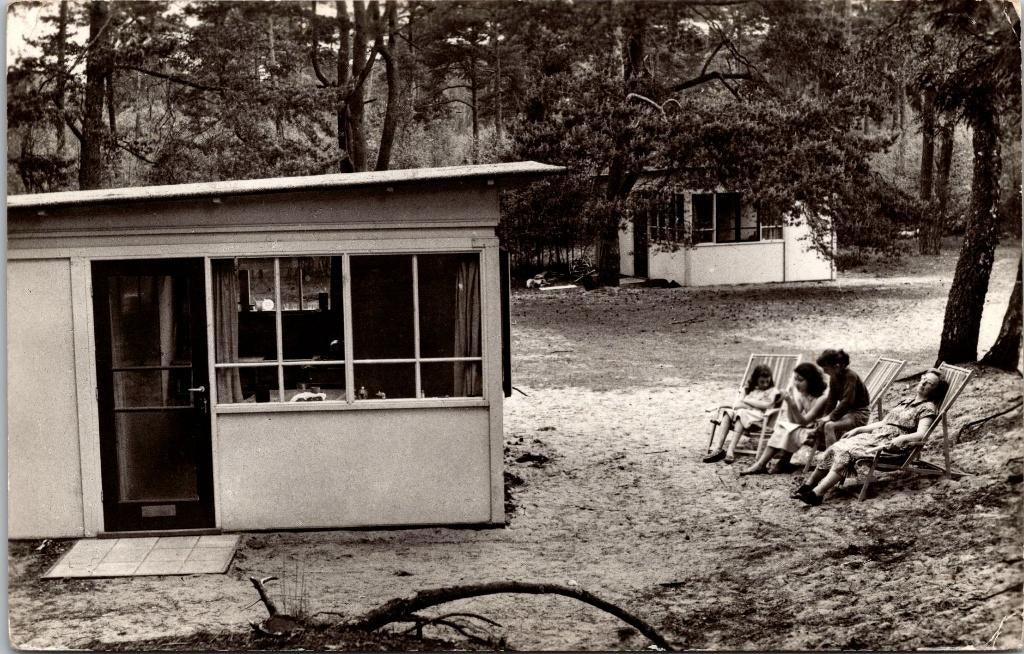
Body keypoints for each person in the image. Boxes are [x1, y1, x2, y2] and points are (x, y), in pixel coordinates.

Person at [794, 367, 949, 506]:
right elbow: (884, 422)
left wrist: (901, 439)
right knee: (837, 446)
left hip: (892, 447)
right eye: (923, 379)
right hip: (876, 437)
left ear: (935, 390)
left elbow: (922, 434)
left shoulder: (927, 408)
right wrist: (860, 429)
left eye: (929, 383)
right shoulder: (906, 401)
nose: (922, 383)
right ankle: (808, 485)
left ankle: (817, 493)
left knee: (848, 452)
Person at [739, 362, 829, 475]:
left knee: (789, 430)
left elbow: (803, 421)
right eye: (795, 379)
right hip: (808, 430)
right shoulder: (803, 396)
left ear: (811, 381)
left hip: (822, 434)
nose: (796, 383)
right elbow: (793, 421)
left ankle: (775, 463)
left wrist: (792, 405)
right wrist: (789, 402)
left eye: (800, 380)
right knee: (785, 427)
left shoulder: (821, 399)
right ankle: (763, 464)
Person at [704, 364, 781, 464]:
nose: (765, 384)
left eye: (768, 381)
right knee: (729, 413)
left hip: (758, 420)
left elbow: (768, 405)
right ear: (755, 380)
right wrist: (753, 405)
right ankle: (718, 449)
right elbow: (736, 405)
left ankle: (730, 450)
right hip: (742, 415)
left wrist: (747, 400)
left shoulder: (772, 391)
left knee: (741, 412)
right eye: (762, 382)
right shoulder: (748, 389)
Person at [804, 349, 870, 452]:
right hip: (847, 413)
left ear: (837, 366)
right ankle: (823, 444)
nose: (824, 371)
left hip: (859, 414)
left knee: (830, 426)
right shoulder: (834, 377)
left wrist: (830, 417)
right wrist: (825, 416)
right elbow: (831, 400)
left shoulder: (850, 376)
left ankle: (831, 458)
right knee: (824, 423)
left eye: (826, 368)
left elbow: (847, 401)